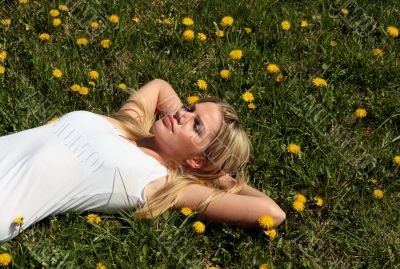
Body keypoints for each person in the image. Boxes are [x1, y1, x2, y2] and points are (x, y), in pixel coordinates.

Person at [0, 79, 285, 242]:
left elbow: (272, 213)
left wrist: (218, 176)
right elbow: (160, 86)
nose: (182, 115)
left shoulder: (158, 183)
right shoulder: (127, 125)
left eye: (196, 126)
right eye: (189, 108)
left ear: (199, 159)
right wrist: (188, 130)